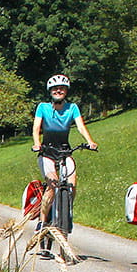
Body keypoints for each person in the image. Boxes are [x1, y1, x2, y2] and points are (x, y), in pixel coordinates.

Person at [29, 76, 98, 258]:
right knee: (52, 185)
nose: (58, 91)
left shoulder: (72, 108)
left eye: (62, 88)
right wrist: (37, 143)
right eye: (55, 89)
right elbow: (36, 128)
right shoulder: (43, 107)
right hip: (46, 152)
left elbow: (81, 127)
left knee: (72, 184)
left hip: (65, 151)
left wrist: (90, 141)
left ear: (66, 91)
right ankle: (42, 224)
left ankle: (66, 214)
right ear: (50, 91)